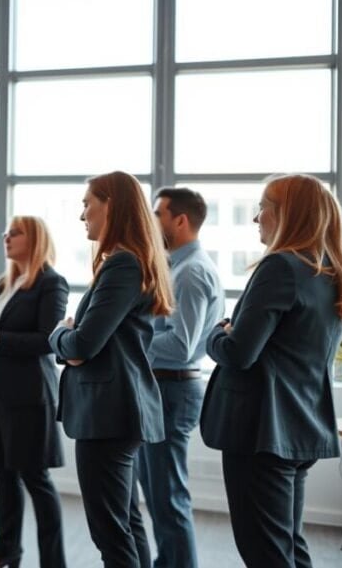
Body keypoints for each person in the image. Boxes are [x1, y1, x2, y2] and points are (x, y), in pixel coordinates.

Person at [200, 174, 342, 567]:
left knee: (266, 553)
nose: (256, 218)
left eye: (263, 208)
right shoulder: (329, 270)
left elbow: (239, 352)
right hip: (298, 426)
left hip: (260, 431)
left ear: (286, 214)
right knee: (287, 546)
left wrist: (214, 332)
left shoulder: (280, 266)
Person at [49, 171, 173, 568]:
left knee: (110, 531)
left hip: (109, 413)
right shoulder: (125, 262)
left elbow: (83, 344)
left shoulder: (123, 264)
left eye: (88, 204)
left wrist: (58, 334)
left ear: (112, 206)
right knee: (126, 523)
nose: (82, 214)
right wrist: (72, 341)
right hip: (115, 411)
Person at [0, 215, 68, 568]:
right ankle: (7, 552)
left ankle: (54, 562)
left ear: (35, 238)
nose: (6, 237)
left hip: (28, 396)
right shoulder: (3, 284)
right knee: (3, 475)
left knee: (35, 478)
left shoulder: (51, 283)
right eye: (6, 233)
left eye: (15, 233)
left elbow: (47, 341)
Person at [135, 188, 224, 568]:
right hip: (163, 387)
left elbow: (182, 345)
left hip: (174, 387)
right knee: (156, 495)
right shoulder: (175, 266)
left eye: (157, 214)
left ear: (180, 220)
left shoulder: (192, 272)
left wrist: (131, 340)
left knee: (168, 497)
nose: (151, 222)